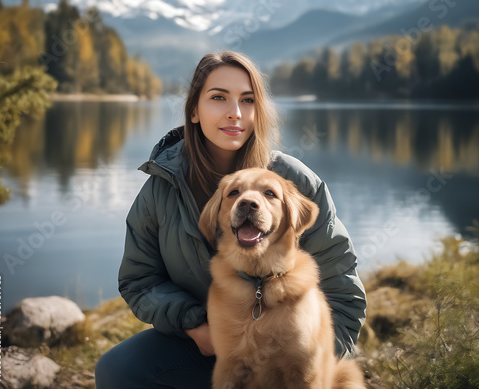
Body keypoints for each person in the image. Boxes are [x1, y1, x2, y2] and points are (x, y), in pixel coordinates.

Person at [95, 51, 366, 388]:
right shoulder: (160, 190)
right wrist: (196, 326)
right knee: (118, 370)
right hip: (205, 350)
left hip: (290, 364)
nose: (234, 113)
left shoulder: (294, 182)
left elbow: (343, 295)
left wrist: (313, 366)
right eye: (218, 97)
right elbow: (140, 281)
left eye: (247, 100)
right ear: (194, 110)